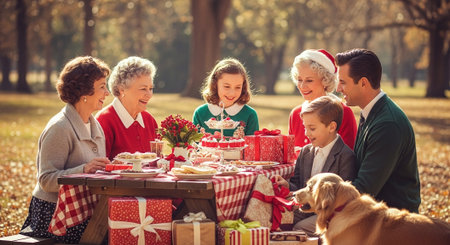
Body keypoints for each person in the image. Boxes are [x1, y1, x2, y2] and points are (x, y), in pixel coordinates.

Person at [20, 56, 111, 243]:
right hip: (55, 215)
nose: (107, 92)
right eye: (102, 86)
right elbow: (46, 180)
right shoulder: (60, 128)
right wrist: (84, 169)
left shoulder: (95, 125)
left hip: (85, 210)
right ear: (84, 91)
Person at [335, 48, 421, 212]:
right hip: (374, 215)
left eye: (343, 82)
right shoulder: (369, 111)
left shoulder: (387, 124)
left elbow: (365, 189)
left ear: (363, 83)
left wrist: (323, 196)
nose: (338, 88)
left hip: (393, 223)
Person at [275, 95, 357, 236]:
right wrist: (288, 186)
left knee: (300, 227)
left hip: (330, 214)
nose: (306, 133)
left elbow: (342, 201)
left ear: (331, 127)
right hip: (305, 208)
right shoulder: (306, 152)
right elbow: (298, 184)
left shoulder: (345, 156)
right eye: (305, 128)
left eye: (312, 128)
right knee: (275, 219)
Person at [289, 49, 357, 150]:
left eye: (309, 80)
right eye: (299, 80)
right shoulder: (295, 114)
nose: (302, 86)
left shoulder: (343, 112)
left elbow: (349, 159)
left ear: (325, 80)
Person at [96, 56, 158, 160]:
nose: (149, 94)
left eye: (150, 88)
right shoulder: (104, 121)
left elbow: (157, 161)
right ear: (122, 90)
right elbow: (100, 169)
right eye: (143, 89)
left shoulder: (149, 120)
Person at [193, 58, 259, 136]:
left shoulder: (250, 114)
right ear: (215, 84)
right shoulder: (200, 113)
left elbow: (254, 146)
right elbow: (195, 145)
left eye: (238, 87)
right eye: (227, 86)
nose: (232, 93)